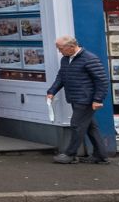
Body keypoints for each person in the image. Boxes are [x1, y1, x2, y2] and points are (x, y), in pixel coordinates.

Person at [46, 34, 110, 164]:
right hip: (75, 98)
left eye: (60, 48)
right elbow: (61, 77)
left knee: (76, 125)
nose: (59, 51)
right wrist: (52, 91)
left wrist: (98, 99)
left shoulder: (89, 58)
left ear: (71, 47)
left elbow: (102, 80)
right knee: (90, 127)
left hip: (86, 99)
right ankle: (101, 155)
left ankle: (70, 154)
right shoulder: (65, 59)